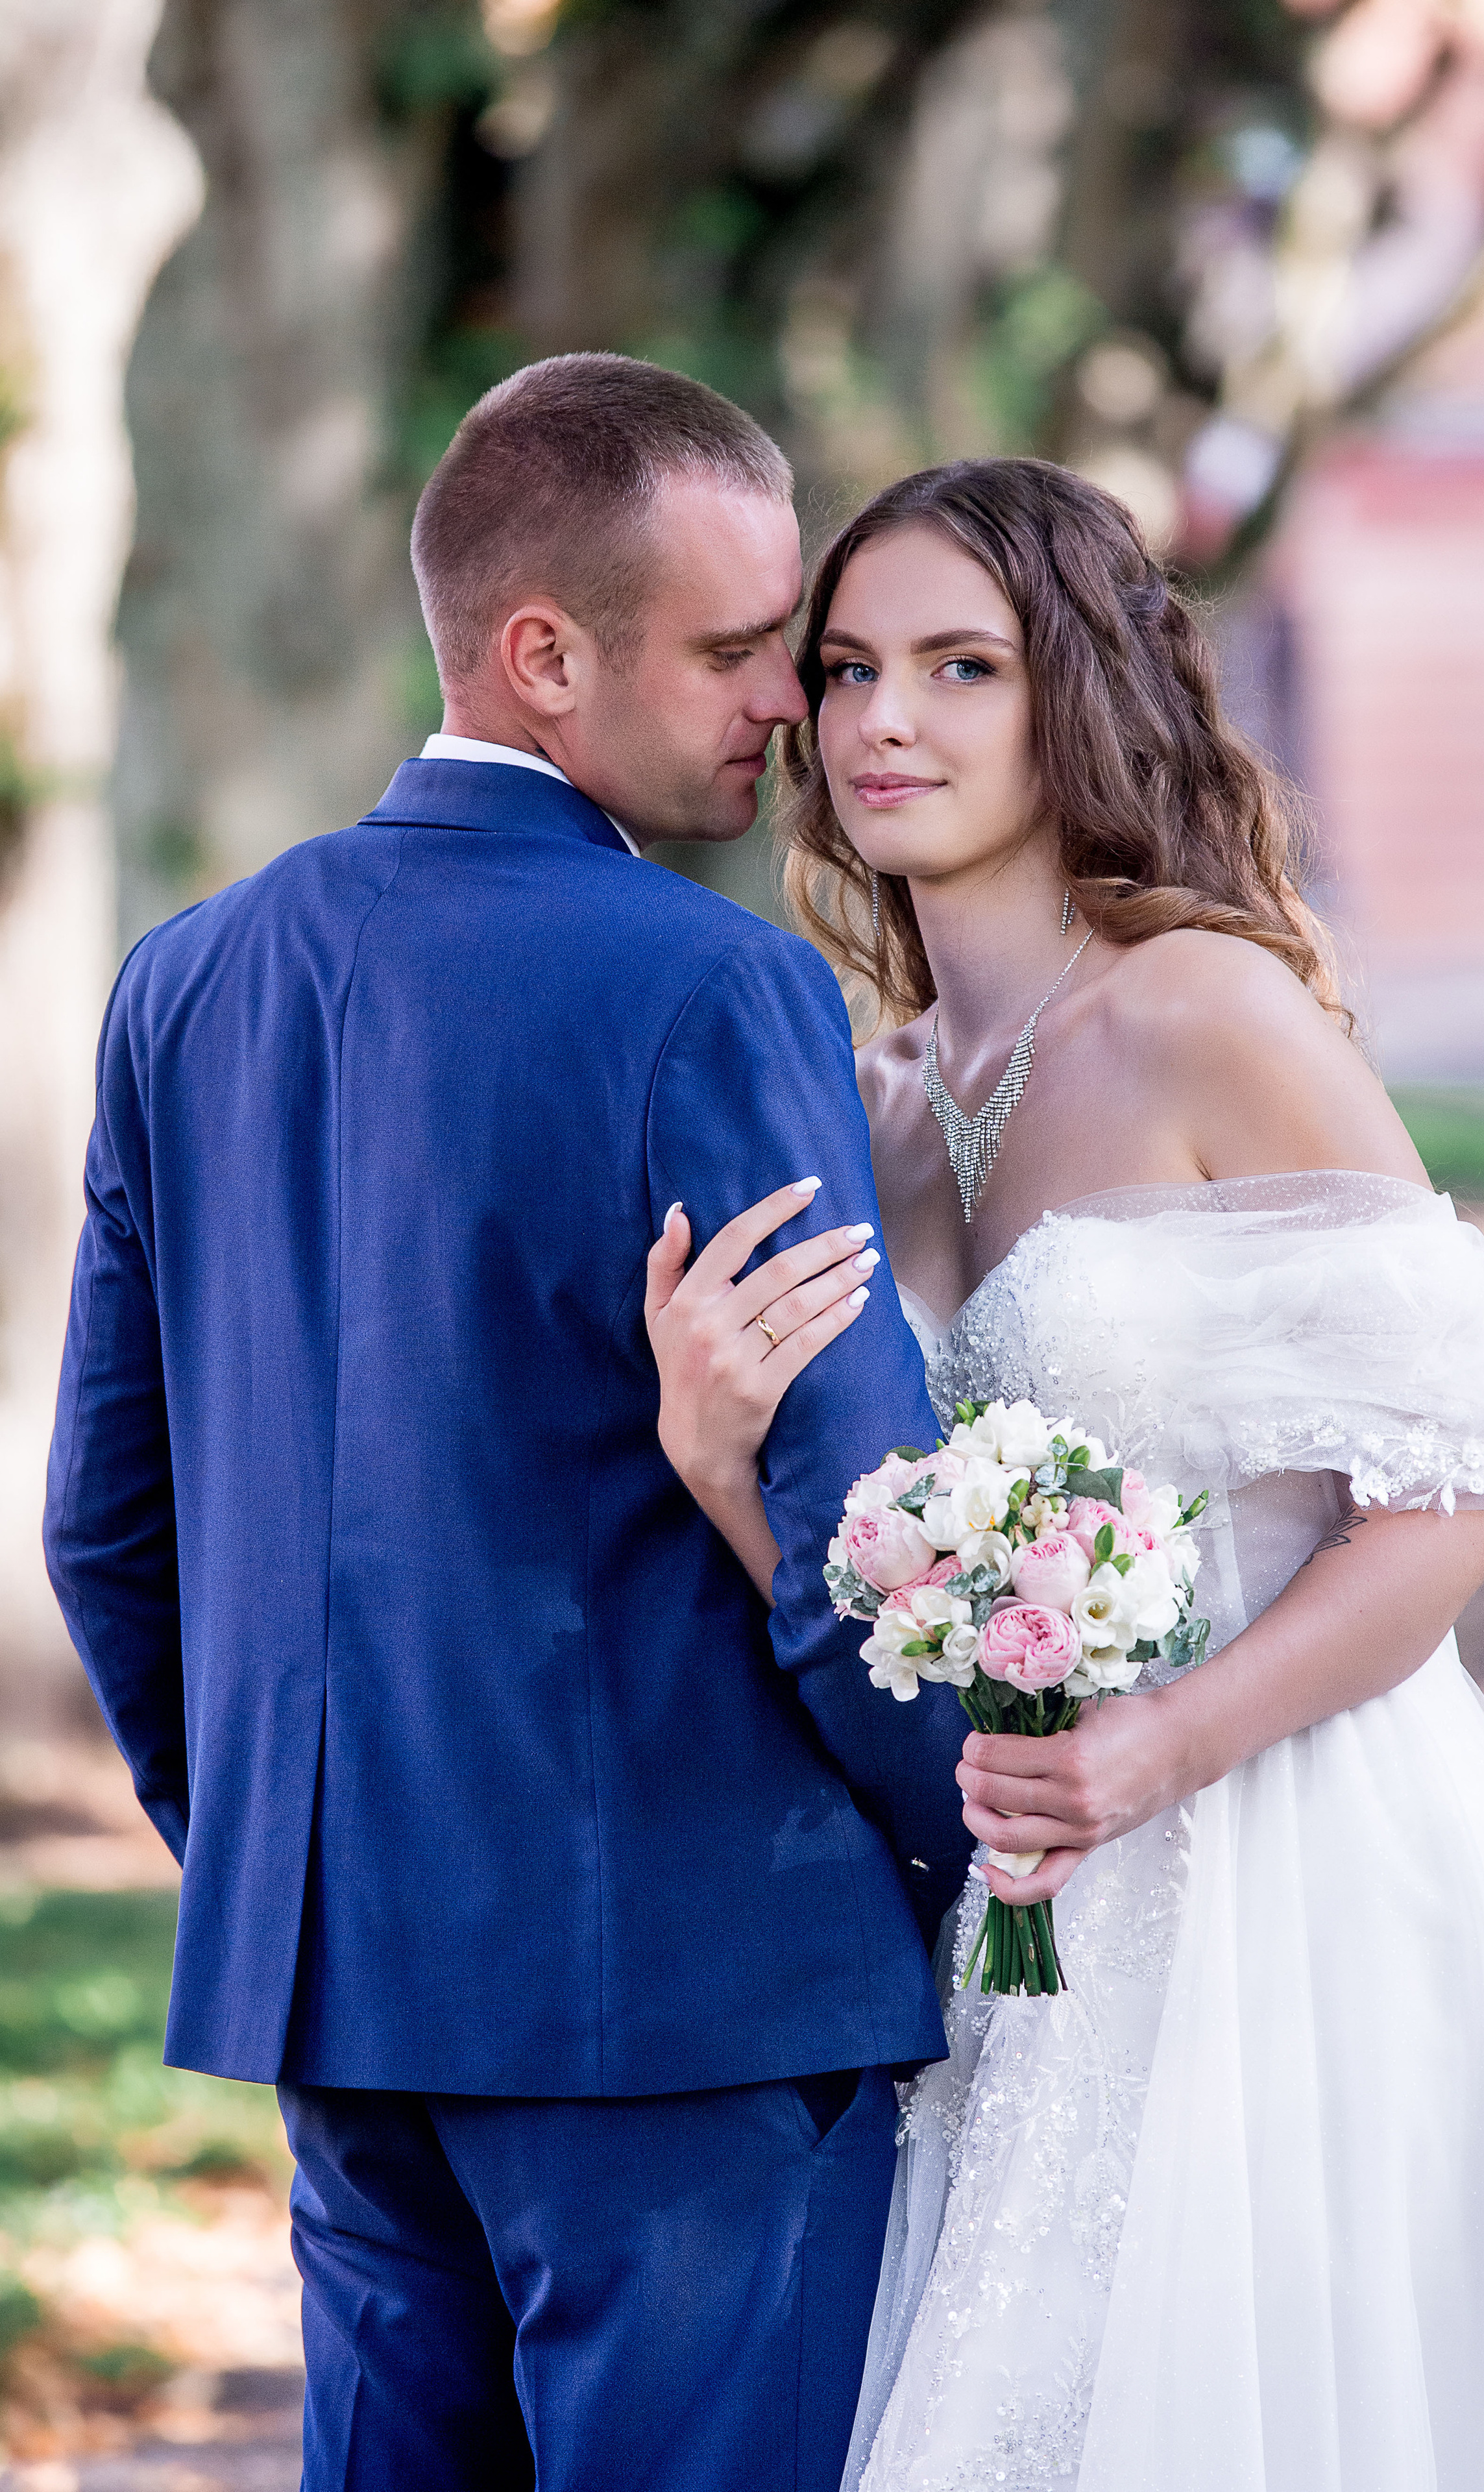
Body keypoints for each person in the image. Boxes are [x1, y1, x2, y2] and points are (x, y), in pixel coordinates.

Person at [647, 456, 1484, 2488]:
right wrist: (718, 1455)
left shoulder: (1210, 1009)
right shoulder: (879, 1097)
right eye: (845, 671)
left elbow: (1453, 1493)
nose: (881, 724)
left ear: (1079, 693)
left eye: (959, 666)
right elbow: (886, 1578)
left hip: (1302, 1859)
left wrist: (1164, 1745)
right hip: (1033, 1909)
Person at [41, 354, 979, 2492]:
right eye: (743, 651)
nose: (792, 708)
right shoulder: (708, 984)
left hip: (338, 1984)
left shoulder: (185, 980)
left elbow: (109, 1525)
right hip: (696, 1990)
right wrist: (963, 1862)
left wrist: (278, 1856)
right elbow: (866, 1520)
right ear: (544, 653)